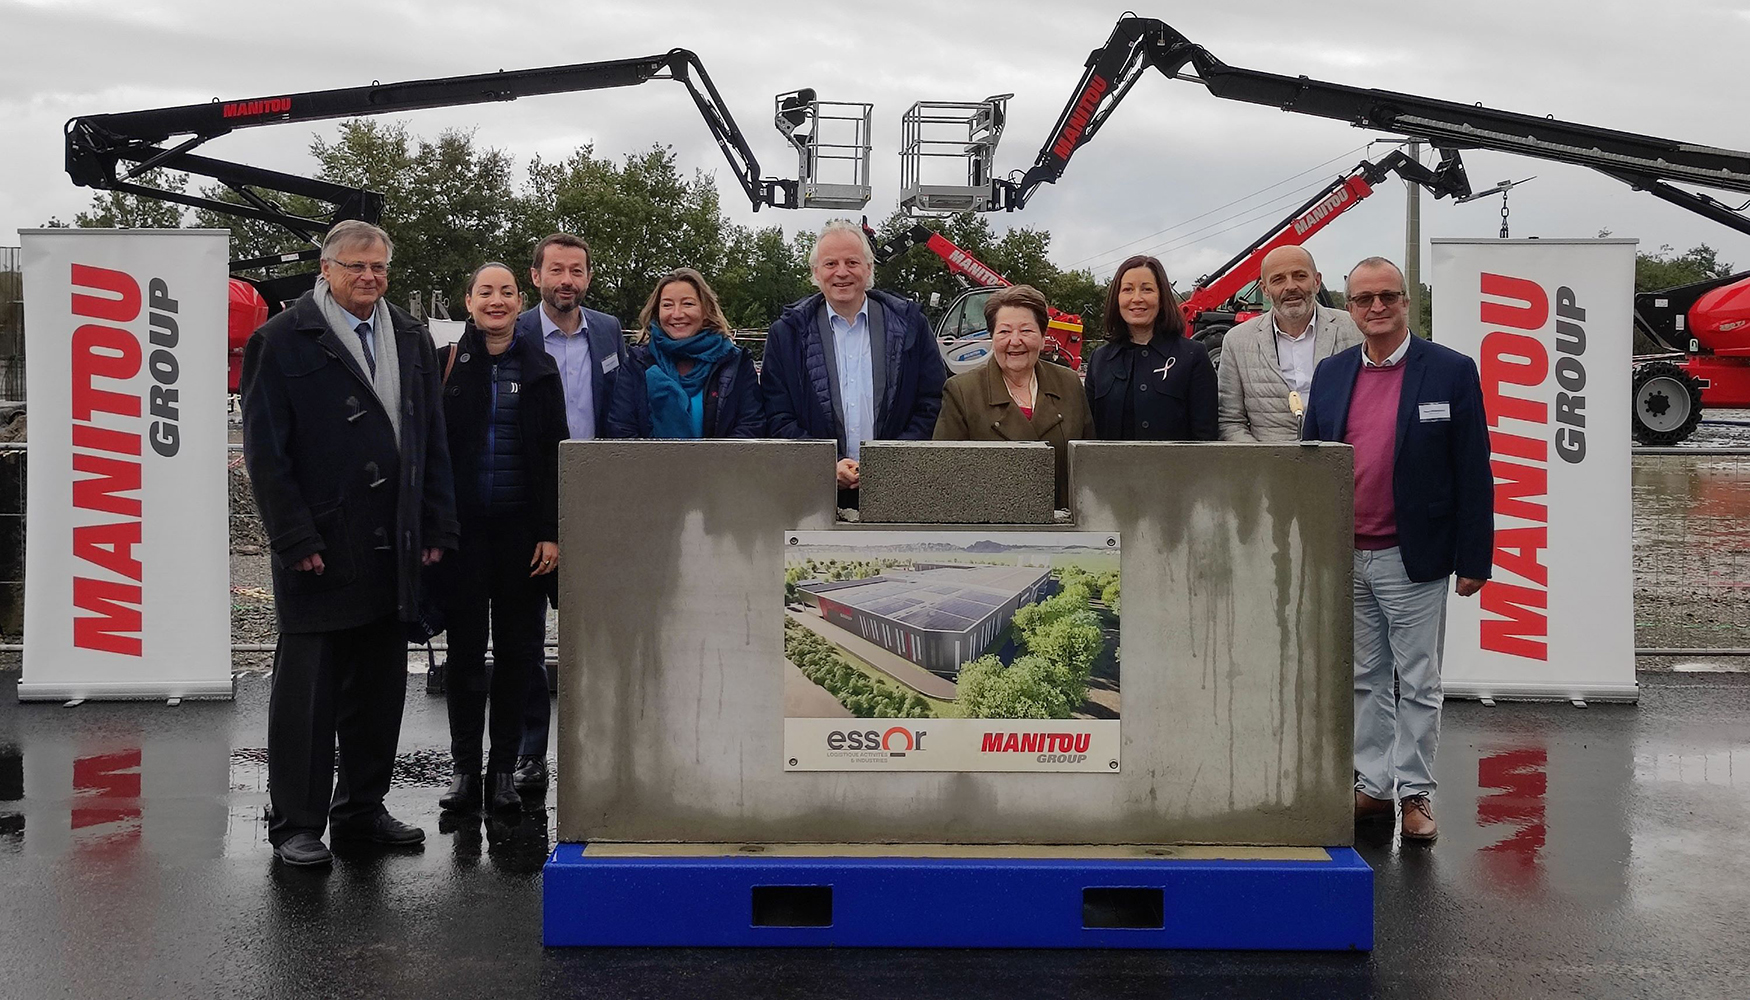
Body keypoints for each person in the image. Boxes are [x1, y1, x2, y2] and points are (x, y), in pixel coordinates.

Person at [240, 220, 458, 867]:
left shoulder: (410, 336)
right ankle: (297, 824)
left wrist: (438, 524)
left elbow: (431, 438)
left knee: (381, 686)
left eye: (379, 268)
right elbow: (265, 451)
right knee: (308, 694)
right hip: (322, 544)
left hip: (396, 541)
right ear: (326, 268)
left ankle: (361, 808)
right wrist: (292, 535)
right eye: (355, 266)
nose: (368, 278)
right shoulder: (280, 340)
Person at [1301, 256, 1493, 843]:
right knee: (1364, 679)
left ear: (1407, 301)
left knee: (1419, 682)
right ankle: (1372, 788)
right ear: (1349, 306)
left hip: (1415, 556)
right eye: (1364, 299)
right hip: (1347, 554)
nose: (1377, 307)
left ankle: (1416, 795)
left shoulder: (1449, 371)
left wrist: (1474, 558)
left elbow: (1473, 468)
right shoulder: (1332, 374)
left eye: (1388, 296)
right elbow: (1310, 460)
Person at [434, 262, 568, 815]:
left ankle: (504, 772)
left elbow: (554, 455)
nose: (496, 300)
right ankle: (465, 770)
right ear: (468, 301)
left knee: (520, 657)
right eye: (485, 292)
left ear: (520, 301)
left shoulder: (540, 368)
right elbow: (430, 454)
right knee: (464, 657)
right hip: (463, 535)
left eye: (506, 292)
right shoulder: (444, 366)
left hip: (521, 538)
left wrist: (551, 534)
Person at [511, 232, 629, 796]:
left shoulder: (607, 332)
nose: (567, 280)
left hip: (597, 499)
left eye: (576, 270)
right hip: (532, 498)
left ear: (587, 277)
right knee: (527, 635)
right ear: (536, 276)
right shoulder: (515, 330)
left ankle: (603, 748)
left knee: (600, 632)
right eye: (556, 270)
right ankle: (531, 753)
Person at [761, 219, 947, 505]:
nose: (842, 273)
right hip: (813, 494)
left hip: (897, 490)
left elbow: (930, 402)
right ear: (815, 272)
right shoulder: (787, 334)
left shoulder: (911, 325)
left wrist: (888, 463)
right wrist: (825, 464)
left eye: (852, 262)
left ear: (869, 268)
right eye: (831, 264)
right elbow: (778, 415)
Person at [933, 284, 1093, 506]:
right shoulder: (961, 391)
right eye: (1004, 331)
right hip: (991, 533)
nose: (1015, 341)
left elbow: (1089, 465)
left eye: (1026, 330)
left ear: (1043, 335)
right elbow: (944, 476)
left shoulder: (1069, 383)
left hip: (1062, 532)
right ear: (992, 337)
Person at [1218, 246, 1362, 442]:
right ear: (1265, 290)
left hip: (1340, 463)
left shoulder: (1355, 330)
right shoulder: (1237, 341)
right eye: (1278, 279)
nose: (1291, 286)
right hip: (1268, 467)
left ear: (1317, 281)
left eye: (1300, 276)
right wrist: (1263, 464)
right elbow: (1230, 421)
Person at [605, 268, 764, 438]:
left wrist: (711, 464)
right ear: (657, 312)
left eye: (688, 304)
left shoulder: (735, 362)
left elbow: (751, 426)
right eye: (667, 305)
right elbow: (621, 430)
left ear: (705, 310)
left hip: (722, 464)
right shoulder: (636, 364)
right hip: (649, 464)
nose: (677, 314)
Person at [1083, 255, 1217, 441]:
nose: (1136, 298)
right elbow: (1088, 432)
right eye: (1128, 290)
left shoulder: (1193, 356)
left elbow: (1206, 433)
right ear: (1117, 298)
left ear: (1161, 298)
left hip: (1176, 469)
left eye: (1147, 289)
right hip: (1112, 469)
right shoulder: (1099, 360)